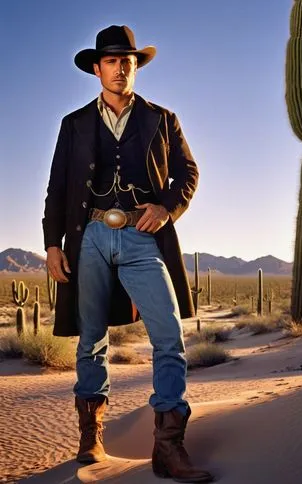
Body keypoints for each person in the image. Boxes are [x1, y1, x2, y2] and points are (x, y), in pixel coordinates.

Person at [42, 24, 213, 483]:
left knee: (168, 335)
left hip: (142, 236)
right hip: (90, 237)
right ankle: (90, 437)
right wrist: (52, 244)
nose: (121, 68)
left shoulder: (162, 118)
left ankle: (169, 447)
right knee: (91, 339)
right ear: (97, 69)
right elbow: (57, 188)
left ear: (136, 68)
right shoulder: (74, 124)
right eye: (113, 61)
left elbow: (188, 172)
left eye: (128, 61)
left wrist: (167, 207)